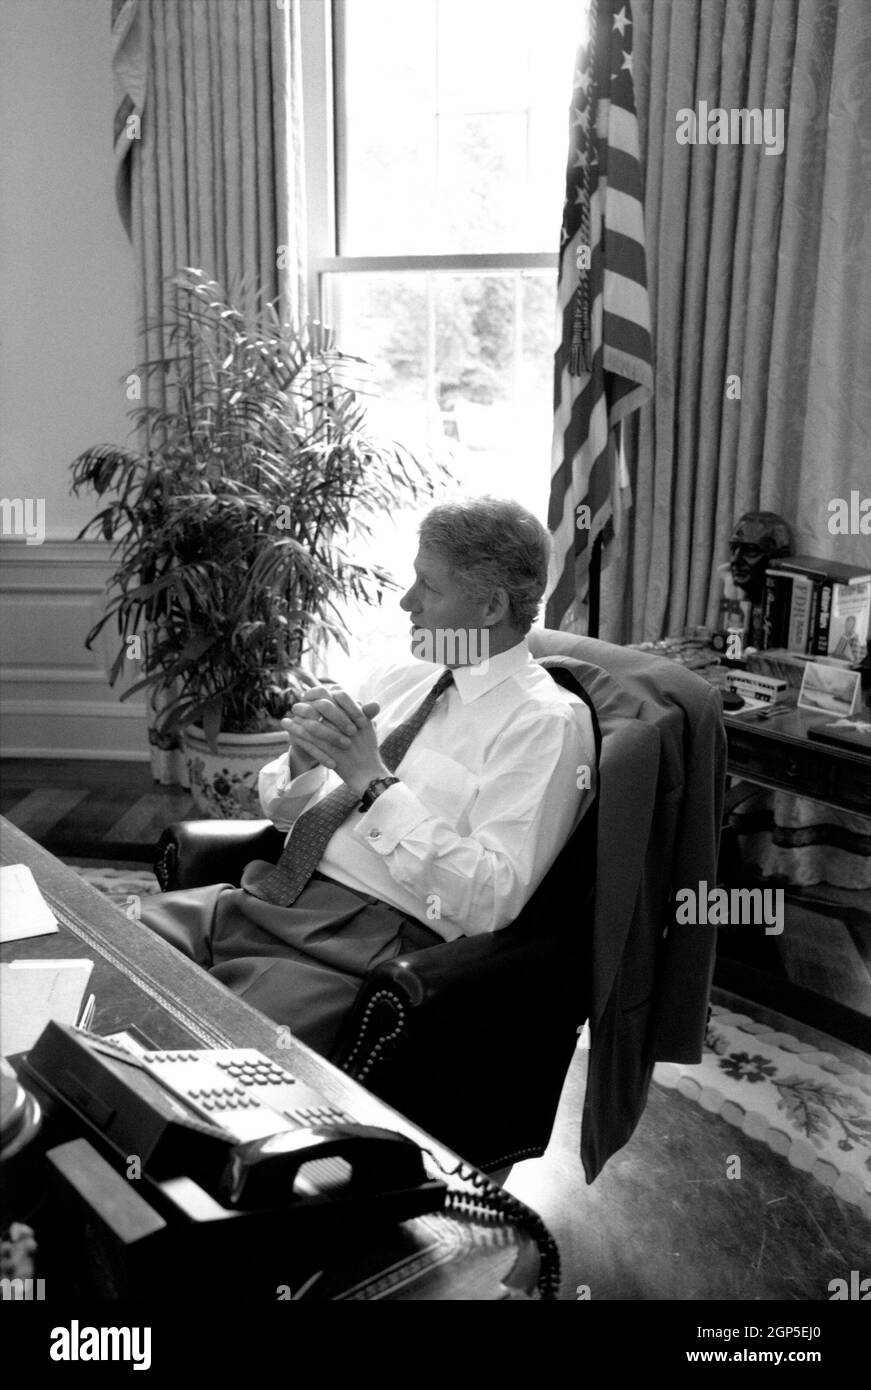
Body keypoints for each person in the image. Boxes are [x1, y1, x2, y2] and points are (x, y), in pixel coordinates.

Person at [140, 496, 597, 1056]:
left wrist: (372, 782)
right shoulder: (398, 675)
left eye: (429, 587)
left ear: (491, 606)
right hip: (272, 895)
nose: (408, 602)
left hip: (365, 945)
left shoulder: (542, 724)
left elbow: (490, 900)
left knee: (194, 1053)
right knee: (100, 954)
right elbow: (283, 818)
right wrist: (305, 762)